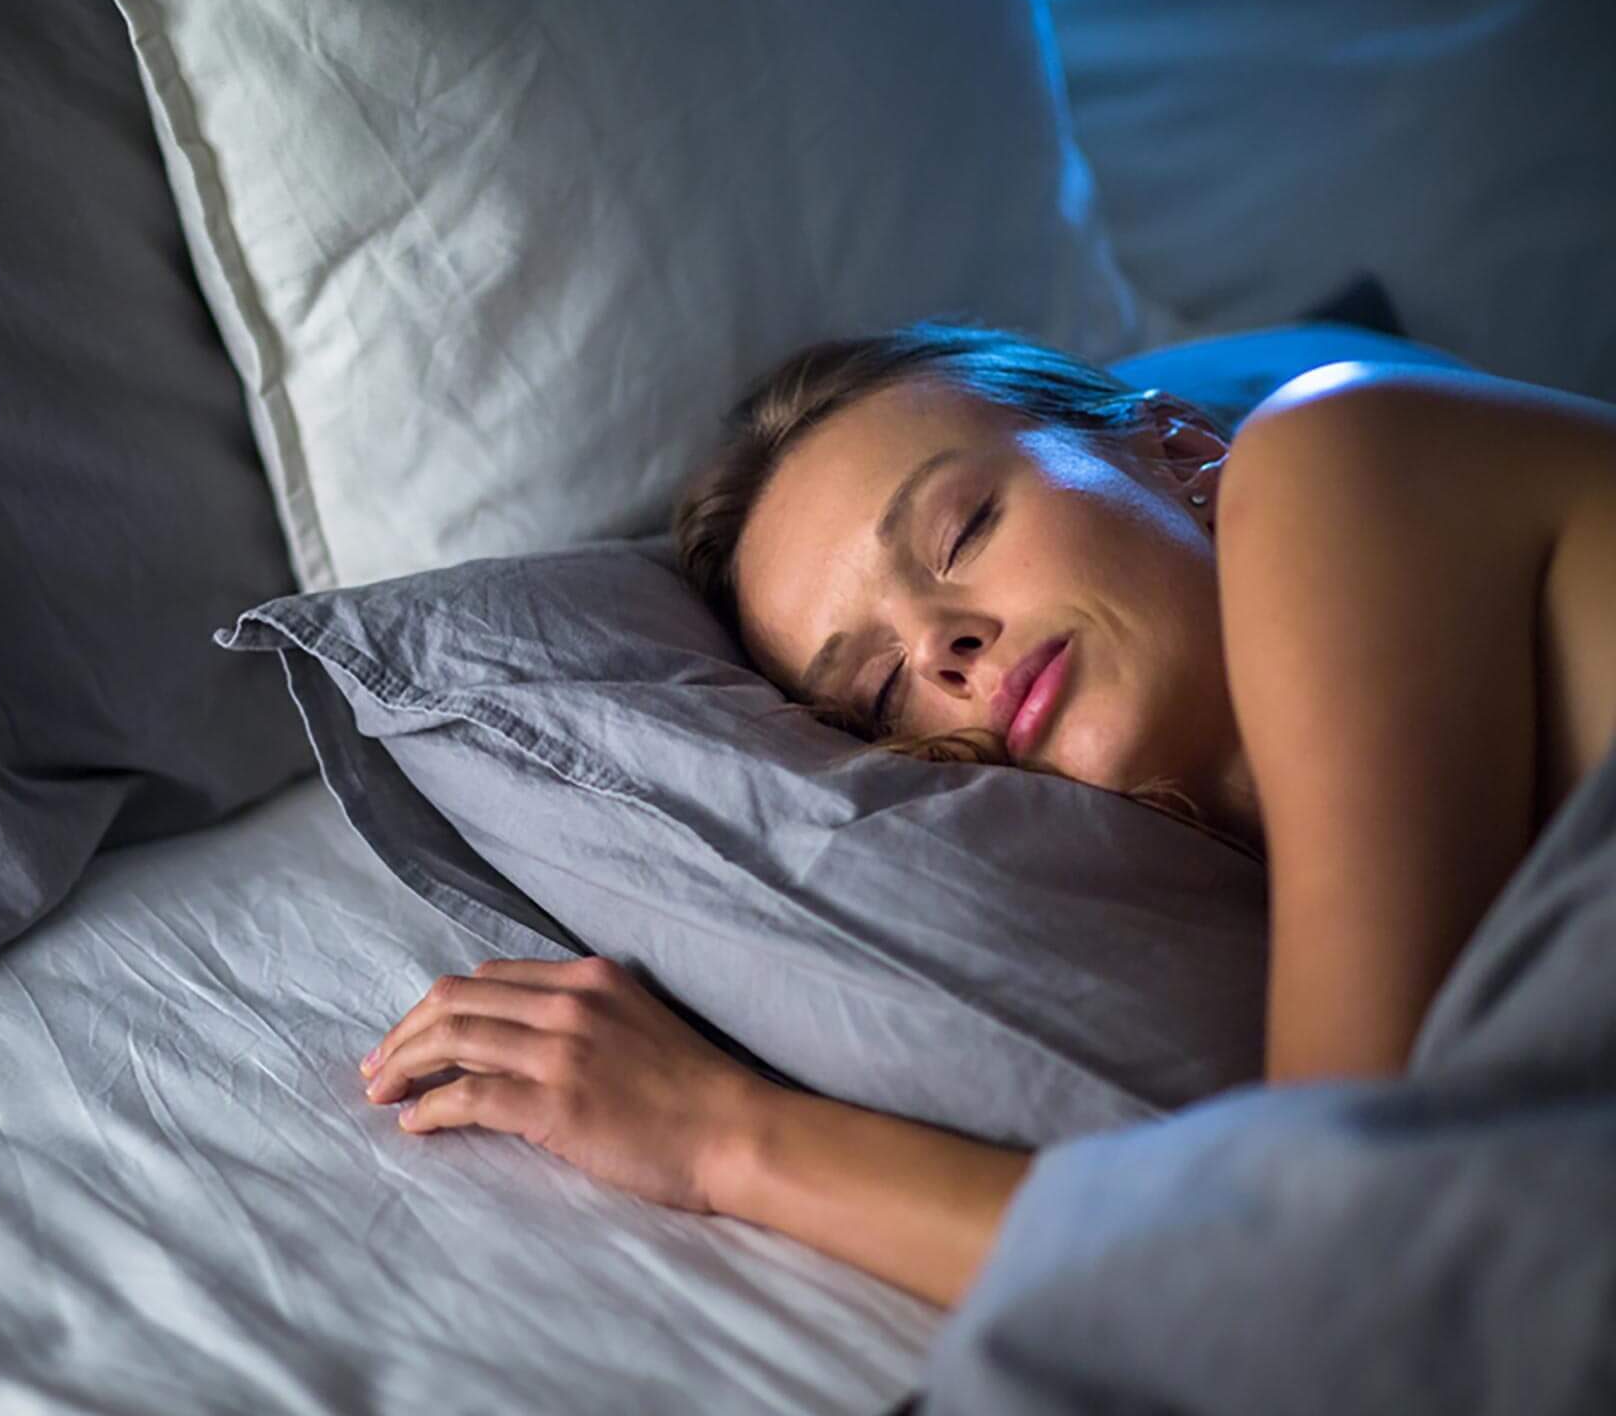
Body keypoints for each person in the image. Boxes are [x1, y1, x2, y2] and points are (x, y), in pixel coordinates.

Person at [356, 322, 1616, 1311]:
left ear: (1175, 446)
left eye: (963, 528)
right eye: (880, 687)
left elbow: (1335, 1259)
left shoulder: (1328, 459)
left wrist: (726, 1137)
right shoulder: (1310, 905)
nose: (945, 647)